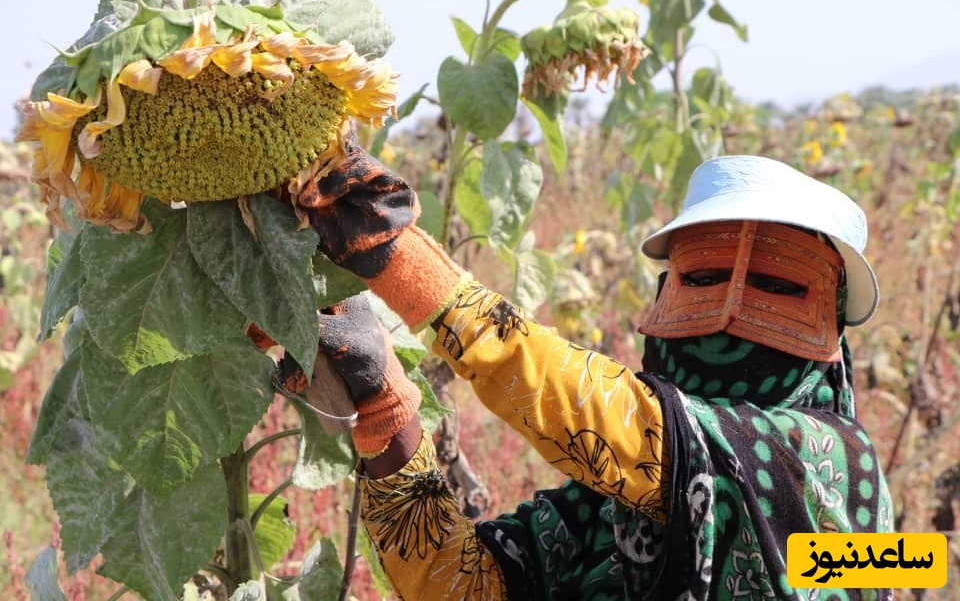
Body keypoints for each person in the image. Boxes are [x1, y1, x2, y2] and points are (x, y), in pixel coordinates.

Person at [292, 138, 893, 601]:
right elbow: (463, 585)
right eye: (702, 279)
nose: (728, 315)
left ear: (828, 329)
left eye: (778, 288)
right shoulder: (614, 502)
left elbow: (616, 420)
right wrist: (387, 408)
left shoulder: (826, 461)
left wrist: (400, 259)